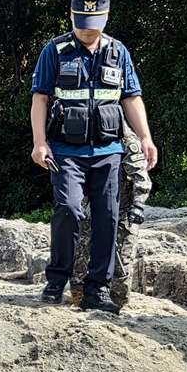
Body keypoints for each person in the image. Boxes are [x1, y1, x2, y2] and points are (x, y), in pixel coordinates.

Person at [30, 0, 158, 312]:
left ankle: (95, 290)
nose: (87, 31)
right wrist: (39, 142)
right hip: (66, 150)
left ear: (106, 18)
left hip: (108, 150)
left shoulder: (118, 52)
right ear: (73, 16)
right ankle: (57, 278)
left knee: (107, 217)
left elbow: (131, 98)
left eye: (94, 24)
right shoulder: (55, 51)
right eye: (82, 23)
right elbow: (40, 99)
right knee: (69, 210)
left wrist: (145, 138)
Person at [71, 122, 152, 308]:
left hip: (123, 210)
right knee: (79, 253)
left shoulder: (125, 138)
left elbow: (141, 176)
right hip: (90, 206)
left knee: (122, 261)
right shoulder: (78, 135)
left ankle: (116, 303)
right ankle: (78, 296)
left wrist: (138, 204)